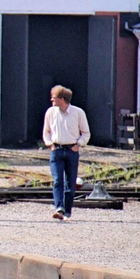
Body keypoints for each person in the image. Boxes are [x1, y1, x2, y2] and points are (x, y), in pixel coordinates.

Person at [43, 85, 90, 220]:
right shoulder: (50, 112)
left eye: (54, 97)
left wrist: (78, 145)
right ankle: (59, 208)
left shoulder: (78, 113)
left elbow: (86, 133)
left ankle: (67, 210)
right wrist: (50, 144)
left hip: (71, 150)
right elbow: (46, 131)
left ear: (62, 99)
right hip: (56, 150)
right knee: (58, 180)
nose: (52, 100)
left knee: (70, 182)